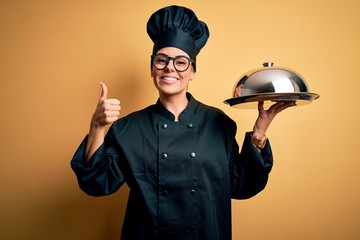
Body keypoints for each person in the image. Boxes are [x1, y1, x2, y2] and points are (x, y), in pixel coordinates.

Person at [71, 5, 295, 240]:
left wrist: (260, 130)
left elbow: (241, 185)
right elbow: (96, 184)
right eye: (161, 60)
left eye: (180, 62)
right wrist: (97, 127)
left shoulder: (218, 123)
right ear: (152, 68)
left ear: (193, 72)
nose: (170, 67)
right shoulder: (129, 128)